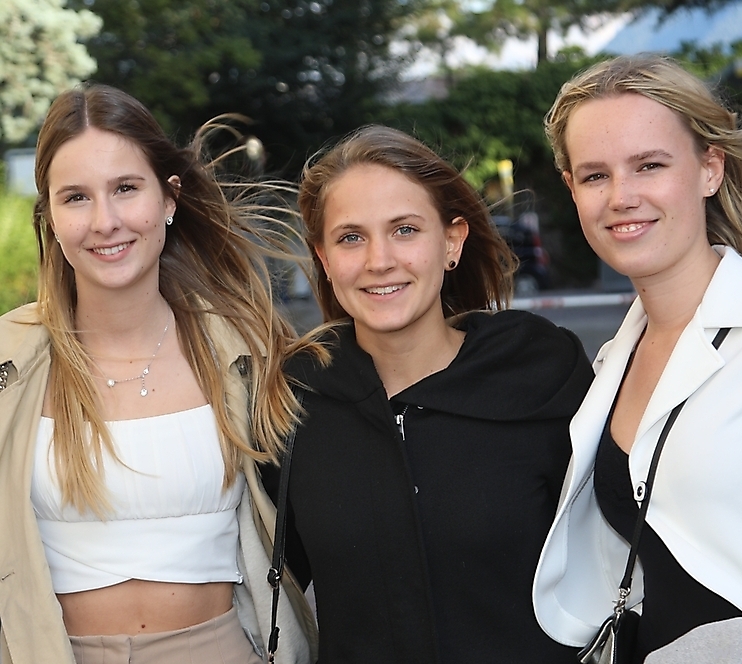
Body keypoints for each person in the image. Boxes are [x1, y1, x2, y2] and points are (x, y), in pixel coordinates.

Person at [0, 84, 318, 664]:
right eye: (76, 197)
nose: (105, 221)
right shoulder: (9, 361)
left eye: (125, 188)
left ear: (169, 197)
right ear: (50, 217)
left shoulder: (248, 351)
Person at [260, 125, 594, 664]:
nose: (379, 260)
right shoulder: (292, 401)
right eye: (350, 238)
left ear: (452, 241)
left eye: (405, 230)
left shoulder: (542, 376)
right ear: (323, 257)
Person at [531, 54, 742, 664]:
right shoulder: (611, 363)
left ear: (709, 169)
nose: (621, 197)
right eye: (595, 176)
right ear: (572, 190)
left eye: (649, 165)